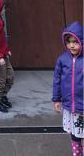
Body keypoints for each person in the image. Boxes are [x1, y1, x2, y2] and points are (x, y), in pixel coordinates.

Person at [52, 21, 83, 156]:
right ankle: (77, 154)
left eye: (75, 42)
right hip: (70, 106)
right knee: (75, 134)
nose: (71, 45)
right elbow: (57, 81)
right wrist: (56, 99)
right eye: (69, 42)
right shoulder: (62, 60)